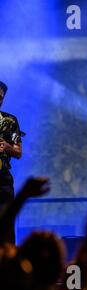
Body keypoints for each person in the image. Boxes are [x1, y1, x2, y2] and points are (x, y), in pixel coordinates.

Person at [0, 80, 22, 244]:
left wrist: (8, 147)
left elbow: (18, 152)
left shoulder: (10, 121)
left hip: (2, 180)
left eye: (1, 97)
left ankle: (9, 265)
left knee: (6, 225)